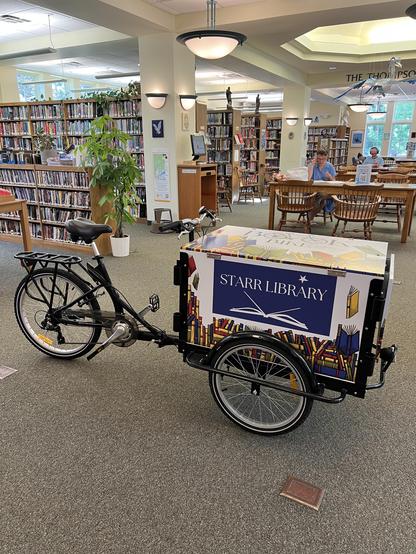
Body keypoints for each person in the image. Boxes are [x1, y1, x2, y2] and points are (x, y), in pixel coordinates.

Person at [308, 149, 336, 215]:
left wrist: (330, 177)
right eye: (319, 159)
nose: (320, 161)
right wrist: (312, 164)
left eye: (323, 159)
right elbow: (308, 178)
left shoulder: (330, 166)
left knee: (320, 196)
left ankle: (310, 216)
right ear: (316, 158)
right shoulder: (314, 165)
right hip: (314, 189)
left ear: (326, 158)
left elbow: (334, 182)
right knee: (308, 194)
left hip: (325, 190)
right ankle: (317, 208)